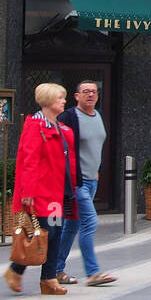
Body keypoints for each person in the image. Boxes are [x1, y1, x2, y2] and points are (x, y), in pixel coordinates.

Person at [4, 83, 78, 295]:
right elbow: (30, 160)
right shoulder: (35, 125)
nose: (64, 101)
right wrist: (27, 192)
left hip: (58, 191)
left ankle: (45, 278)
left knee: (53, 233)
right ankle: (28, 274)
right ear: (47, 101)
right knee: (45, 232)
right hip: (41, 192)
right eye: (60, 98)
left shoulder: (61, 128)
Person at [54, 80, 116, 287]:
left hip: (91, 180)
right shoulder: (69, 117)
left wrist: (96, 172)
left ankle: (55, 269)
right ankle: (92, 273)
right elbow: (61, 150)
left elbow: (96, 147)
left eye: (94, 92)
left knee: (72, 226)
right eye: (85, 92)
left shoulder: (98, 115)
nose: (90, 95)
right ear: (76, 96)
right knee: (90, 222)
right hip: (76, 183)